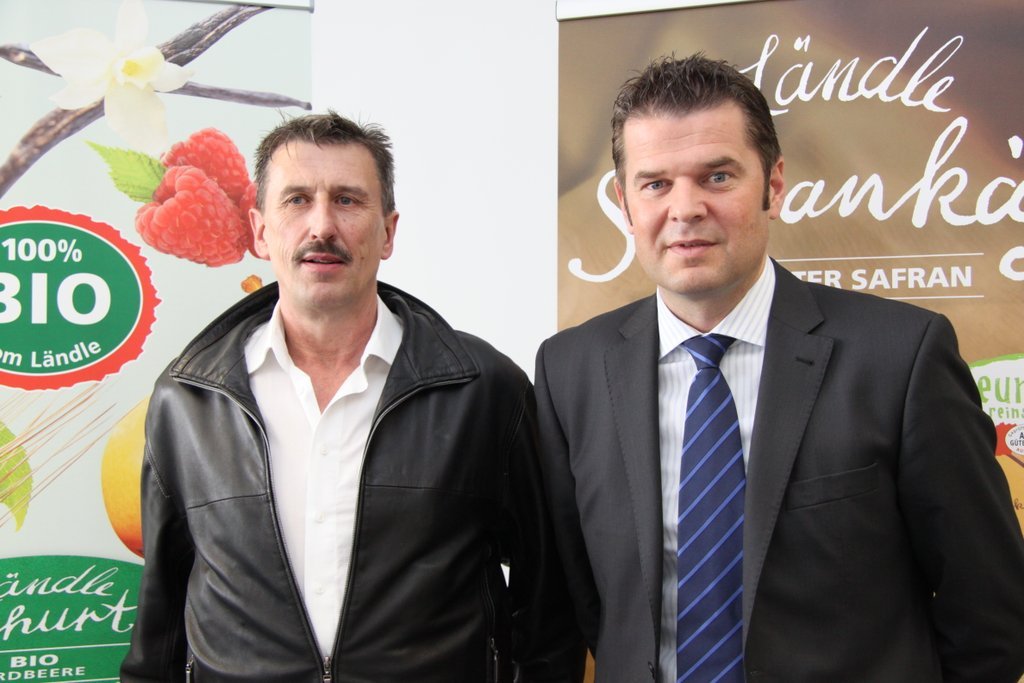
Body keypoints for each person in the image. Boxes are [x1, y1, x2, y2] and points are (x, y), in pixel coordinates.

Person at [534, 54, 1024, 683]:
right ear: (625, 204)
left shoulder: (901, 357)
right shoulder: (569, 370)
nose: (685, 208)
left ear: (774, 185)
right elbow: (574, 605)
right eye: (655, 184)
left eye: (717, 176)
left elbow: (990, 613)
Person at [121, 111, 585, 682]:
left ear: (388, 232)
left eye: (347, 200)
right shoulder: (187, 400)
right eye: (296, 200)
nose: (322, 225)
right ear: (260, 231)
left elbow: (548, 610)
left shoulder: (485, 392)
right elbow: (160, 620)